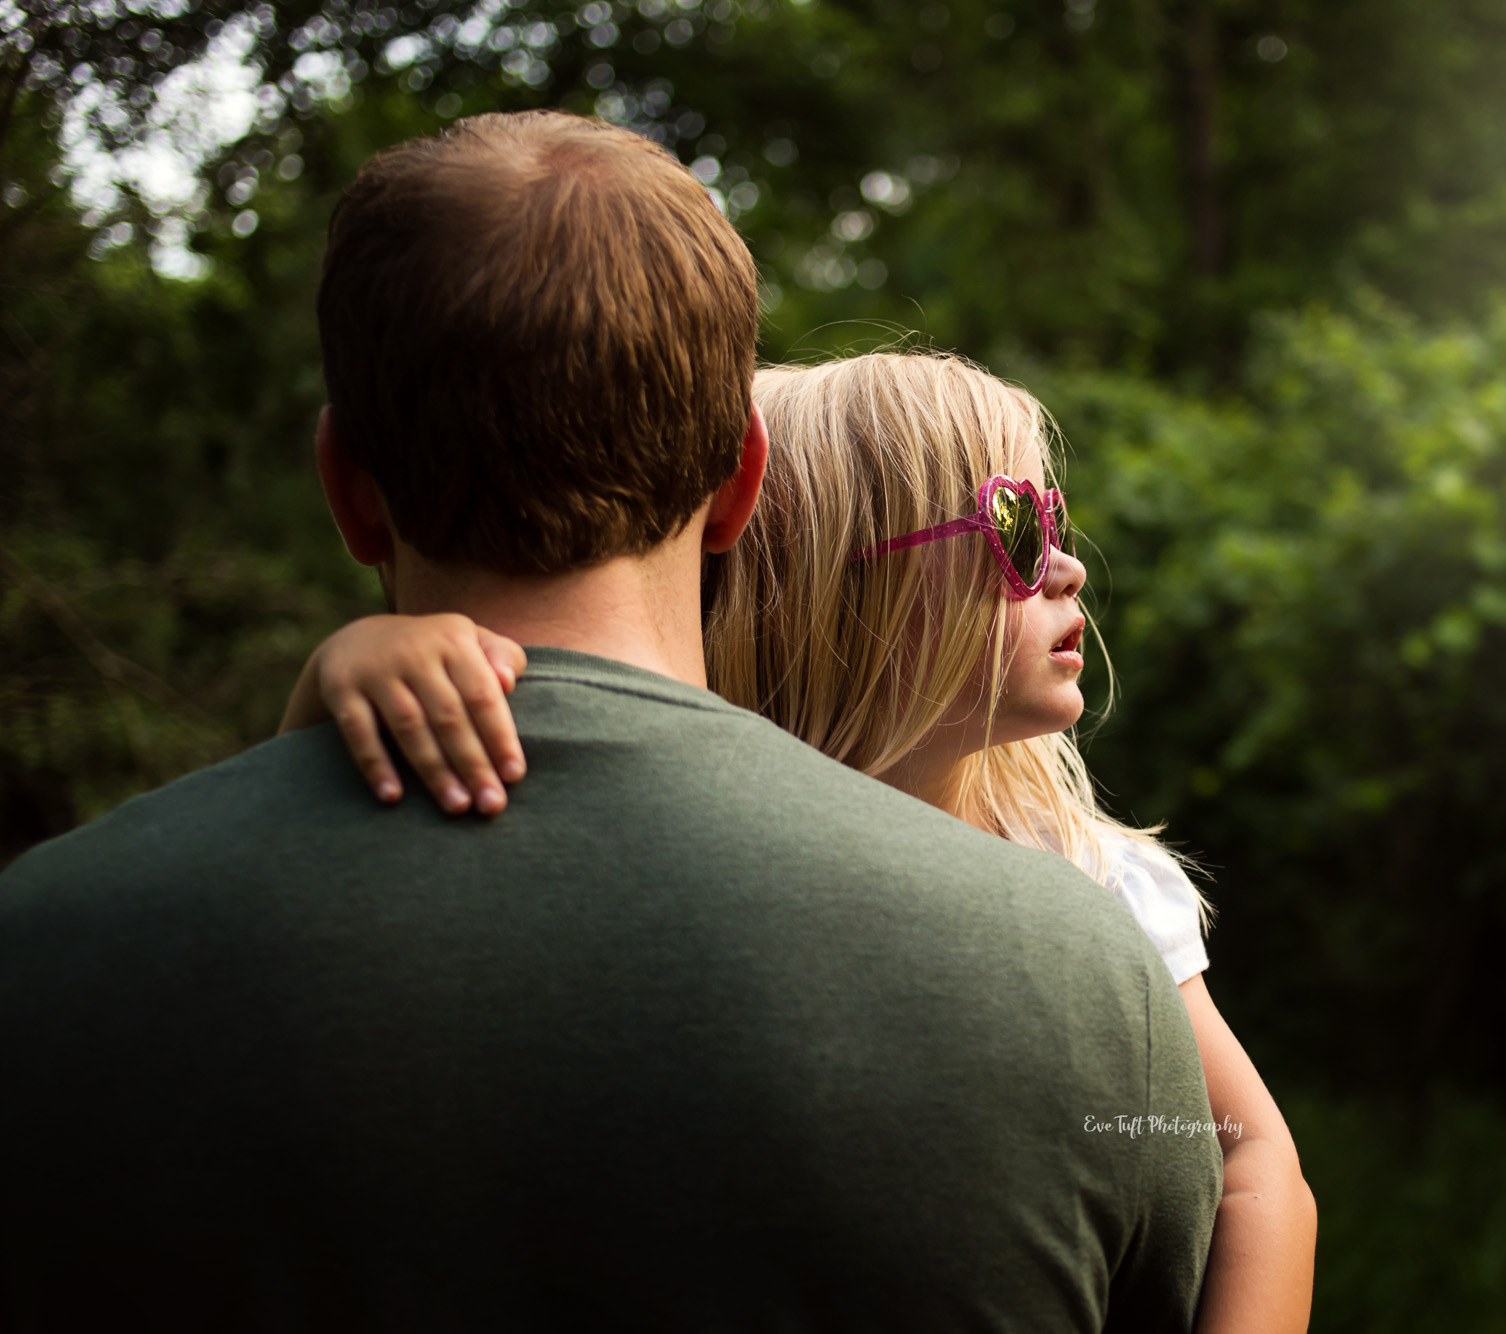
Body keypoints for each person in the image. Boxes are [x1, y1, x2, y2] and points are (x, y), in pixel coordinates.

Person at [0, 111, 1222, 1329]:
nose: (1060, 569)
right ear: (741, 480)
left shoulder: (45, 948)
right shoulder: (1075, 968)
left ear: (345, 488)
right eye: (1018, 531)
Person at [287, 353, 1318, 1331]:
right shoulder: (679, 820)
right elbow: (336, 862)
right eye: (1010, 526)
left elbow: (1249, 1161)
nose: (1066, 565)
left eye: (1050, 517)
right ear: (846, 586)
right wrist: (352, 666)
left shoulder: (1089, 872)